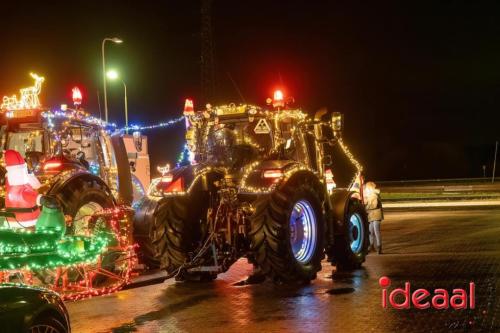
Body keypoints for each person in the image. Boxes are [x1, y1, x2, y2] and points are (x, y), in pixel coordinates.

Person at [364, 181, 384, 254]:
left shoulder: (374, 195)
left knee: (376, 232)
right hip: (371, 215)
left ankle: (379, 247)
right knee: (370, 232)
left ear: (370, 188)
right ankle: (372, 246)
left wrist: (365, 207)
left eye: (367, 188)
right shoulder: (370, 195)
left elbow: (374, 205)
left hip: (376, 215)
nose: (366, 189)